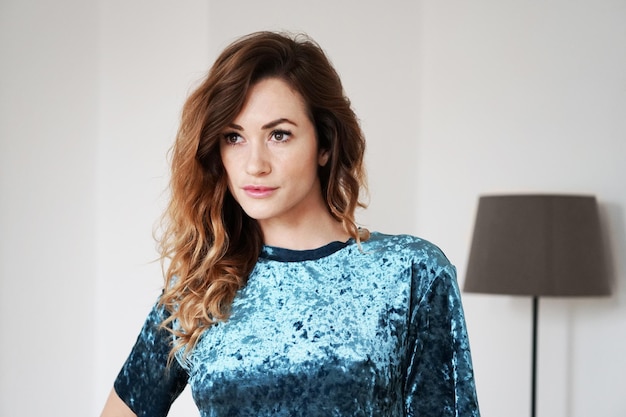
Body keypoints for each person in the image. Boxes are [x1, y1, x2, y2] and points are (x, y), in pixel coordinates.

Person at [100, 31, 480, 417]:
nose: (255, 164)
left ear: (325, 144)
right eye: (234, 137)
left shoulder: (410, 272)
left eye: (279, 135)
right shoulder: (200, 287)